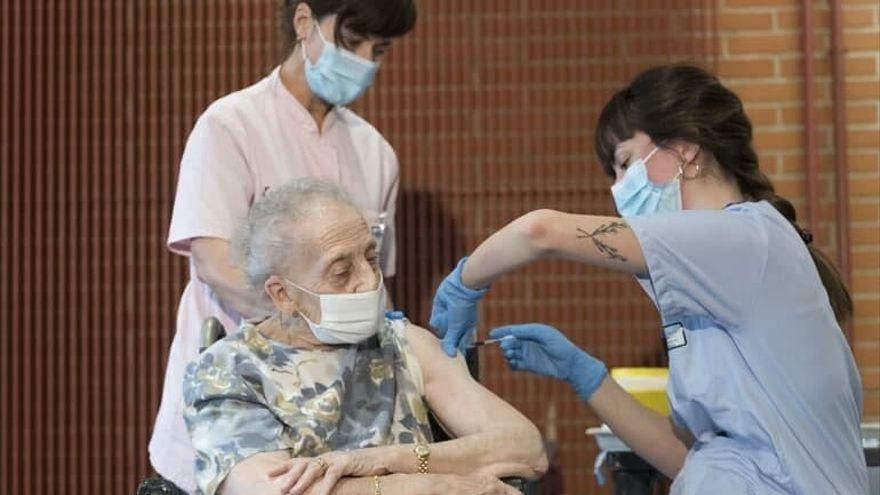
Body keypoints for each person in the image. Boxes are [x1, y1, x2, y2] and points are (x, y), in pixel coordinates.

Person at [429, 65, 869, 494]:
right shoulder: (701, 287)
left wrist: (465, 281)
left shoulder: (744, 239)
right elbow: (691, 459)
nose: (618, 189)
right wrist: (586, 376)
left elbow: (540, 231)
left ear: (685, 149)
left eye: (624, 164)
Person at [150, 1, 417, 491]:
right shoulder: (231, 125)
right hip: (236, 402)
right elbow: (213, 259)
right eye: (351, 41)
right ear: (304, 23)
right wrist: (318, 329)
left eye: (377, 50)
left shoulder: (376, 153)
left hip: (340, 422)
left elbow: (377, 285)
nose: (363, 59)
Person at [183, 178, 547, 495]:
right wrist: (430, 485)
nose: (368, 281)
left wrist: (385, 459)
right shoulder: (228, 370)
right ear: (283, 294)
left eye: (371, 259)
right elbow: (274, 491)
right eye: (341, 272)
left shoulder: (403, 343)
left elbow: (525, 448)